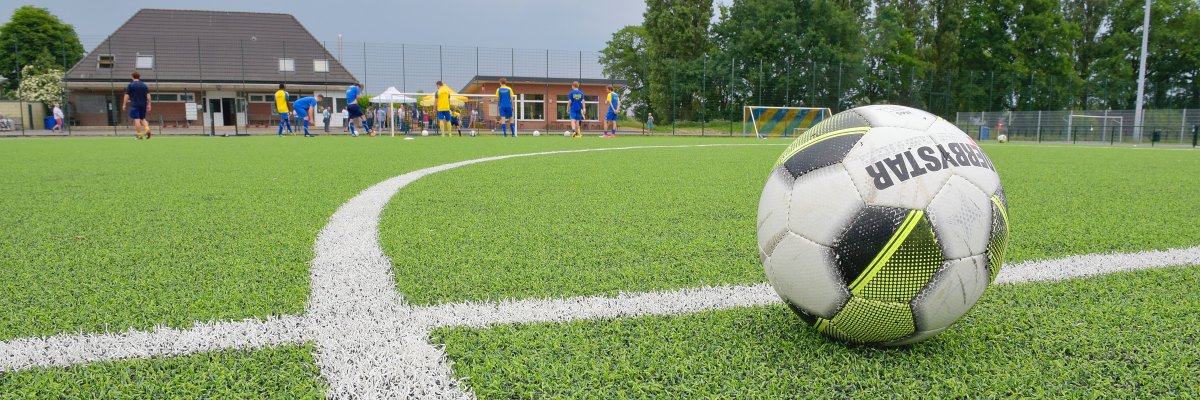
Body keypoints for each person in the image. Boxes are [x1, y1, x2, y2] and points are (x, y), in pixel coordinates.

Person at [122, 71, 152, 139]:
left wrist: (124, 104)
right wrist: (149, 104)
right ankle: (147, 130)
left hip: (135, 105)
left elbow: (126, 95)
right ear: (139, 77)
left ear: (132, 77)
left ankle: (139, 135)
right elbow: (148, 95)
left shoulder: (131, 85)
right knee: (143, 119)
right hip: (143, 104)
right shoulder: (144, 85)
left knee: (137, 119)